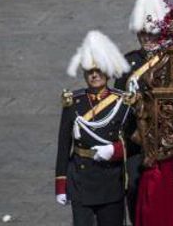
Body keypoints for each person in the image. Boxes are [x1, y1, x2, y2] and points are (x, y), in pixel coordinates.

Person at [55, 31, 135, 226]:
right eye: (90, 71)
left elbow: (135, 142)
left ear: (107, 72)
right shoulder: (74, 102)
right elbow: (64, 145)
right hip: (81, 180)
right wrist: (61, 185)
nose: (95, 75)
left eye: (99, 70)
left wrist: (114, 151)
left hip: (110, 180)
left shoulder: (123, 102)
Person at [119, 0, 168, 226]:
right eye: (142, 34)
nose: (147, 38)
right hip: (135, 142)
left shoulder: (170, 62)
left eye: (152, 34)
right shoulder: (128, 63)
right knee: (132, 188)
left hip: (165, 141)